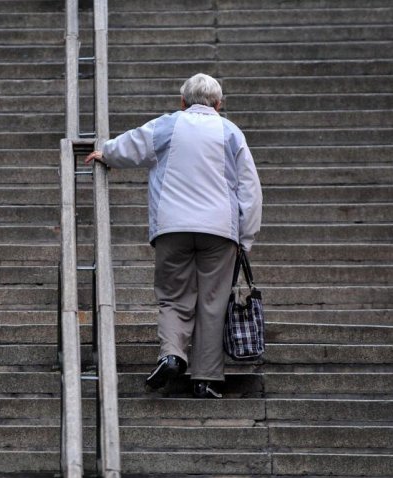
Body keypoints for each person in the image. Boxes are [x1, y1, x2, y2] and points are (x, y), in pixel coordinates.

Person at [85, 73, 262, 398]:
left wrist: (105, 153)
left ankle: (172, 355)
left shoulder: (168, 125)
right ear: (219, 104)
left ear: (183, 102)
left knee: (173, 296)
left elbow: (132, 145)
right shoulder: (231, 133)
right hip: (220, 231)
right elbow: (250, 188)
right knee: (212, 302)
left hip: (172, 226)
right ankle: (205, 379)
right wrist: (246, 237)